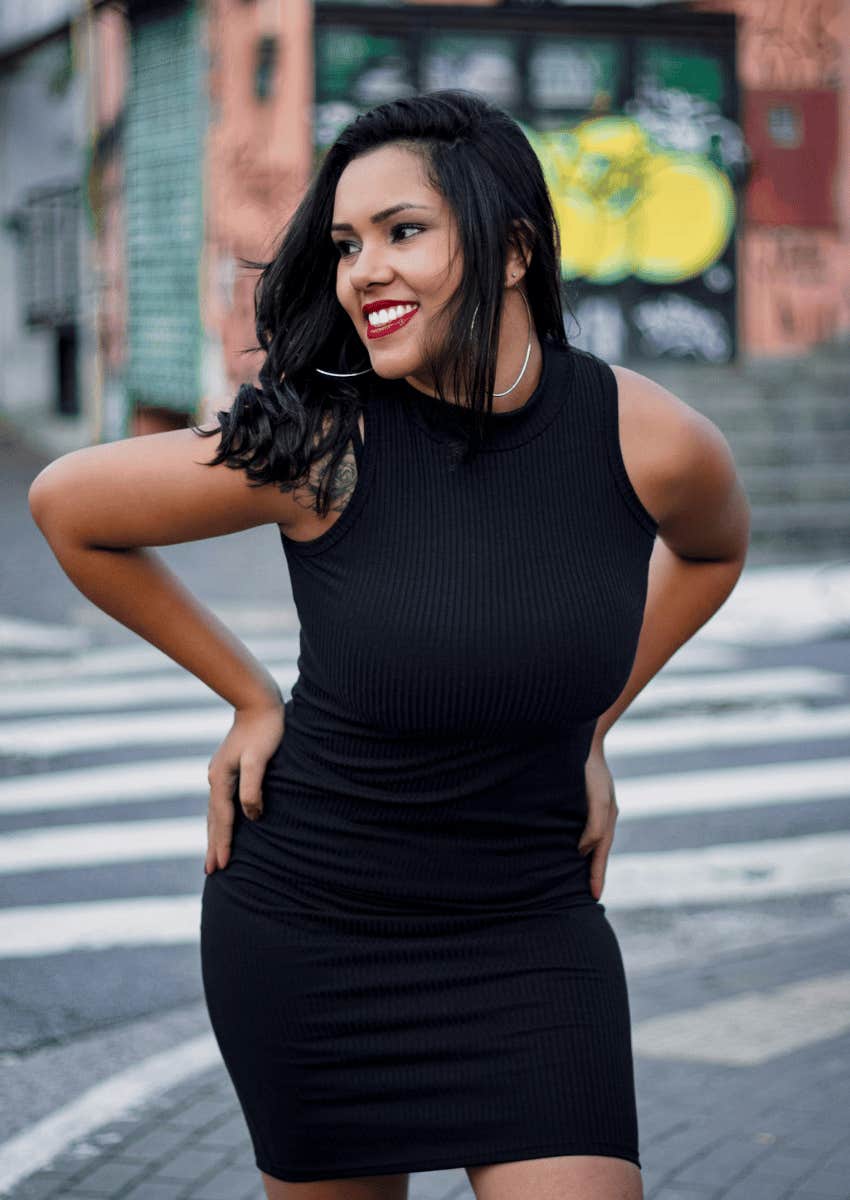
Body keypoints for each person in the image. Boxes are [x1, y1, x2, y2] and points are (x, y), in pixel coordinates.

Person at [28, 89, 750, 1200]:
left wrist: (591, 725)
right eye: (347, 244)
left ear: (511, 249)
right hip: (315, 929)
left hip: (528, 933)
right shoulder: (325, 440)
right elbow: (69, 506)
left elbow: (710, 554)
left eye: (403, 231)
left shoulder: (647, 439)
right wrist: (250, 698)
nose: (364, 270)